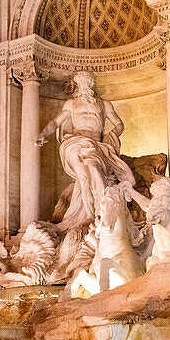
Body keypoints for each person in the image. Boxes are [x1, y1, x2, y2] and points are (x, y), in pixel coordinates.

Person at [36, 72, 134, 232]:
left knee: (94, 170)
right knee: (82, 176)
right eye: (82, 83)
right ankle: (90, 215)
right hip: (75, 143)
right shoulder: (70, 104)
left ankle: (104, 212)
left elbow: (119, 123)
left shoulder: (104, 104)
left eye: (89, 82)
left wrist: (113, 134)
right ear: (77, 85)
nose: (86, 85)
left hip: (95, 145)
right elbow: (55, 122)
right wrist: (42, 134)